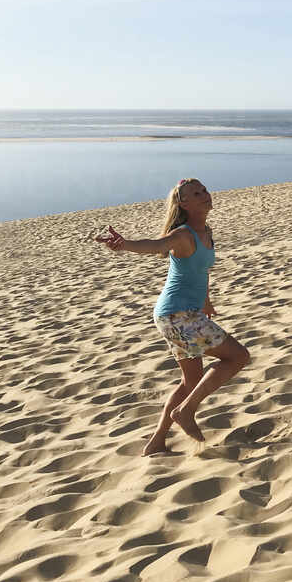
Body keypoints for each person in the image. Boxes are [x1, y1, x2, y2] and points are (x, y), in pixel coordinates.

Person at [96, 177, 249, 455]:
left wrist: (206, 301)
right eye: (196, 193)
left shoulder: (206, 231)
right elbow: (155, 245)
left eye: (204, 190)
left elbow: (199, 271)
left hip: (177, 314)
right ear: (183, 203)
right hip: (178, 315)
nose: (204, 195)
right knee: (237, 357)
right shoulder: (183, 235)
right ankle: (186, 411)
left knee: (191, 382)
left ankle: (156, 442)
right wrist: (125, 244)